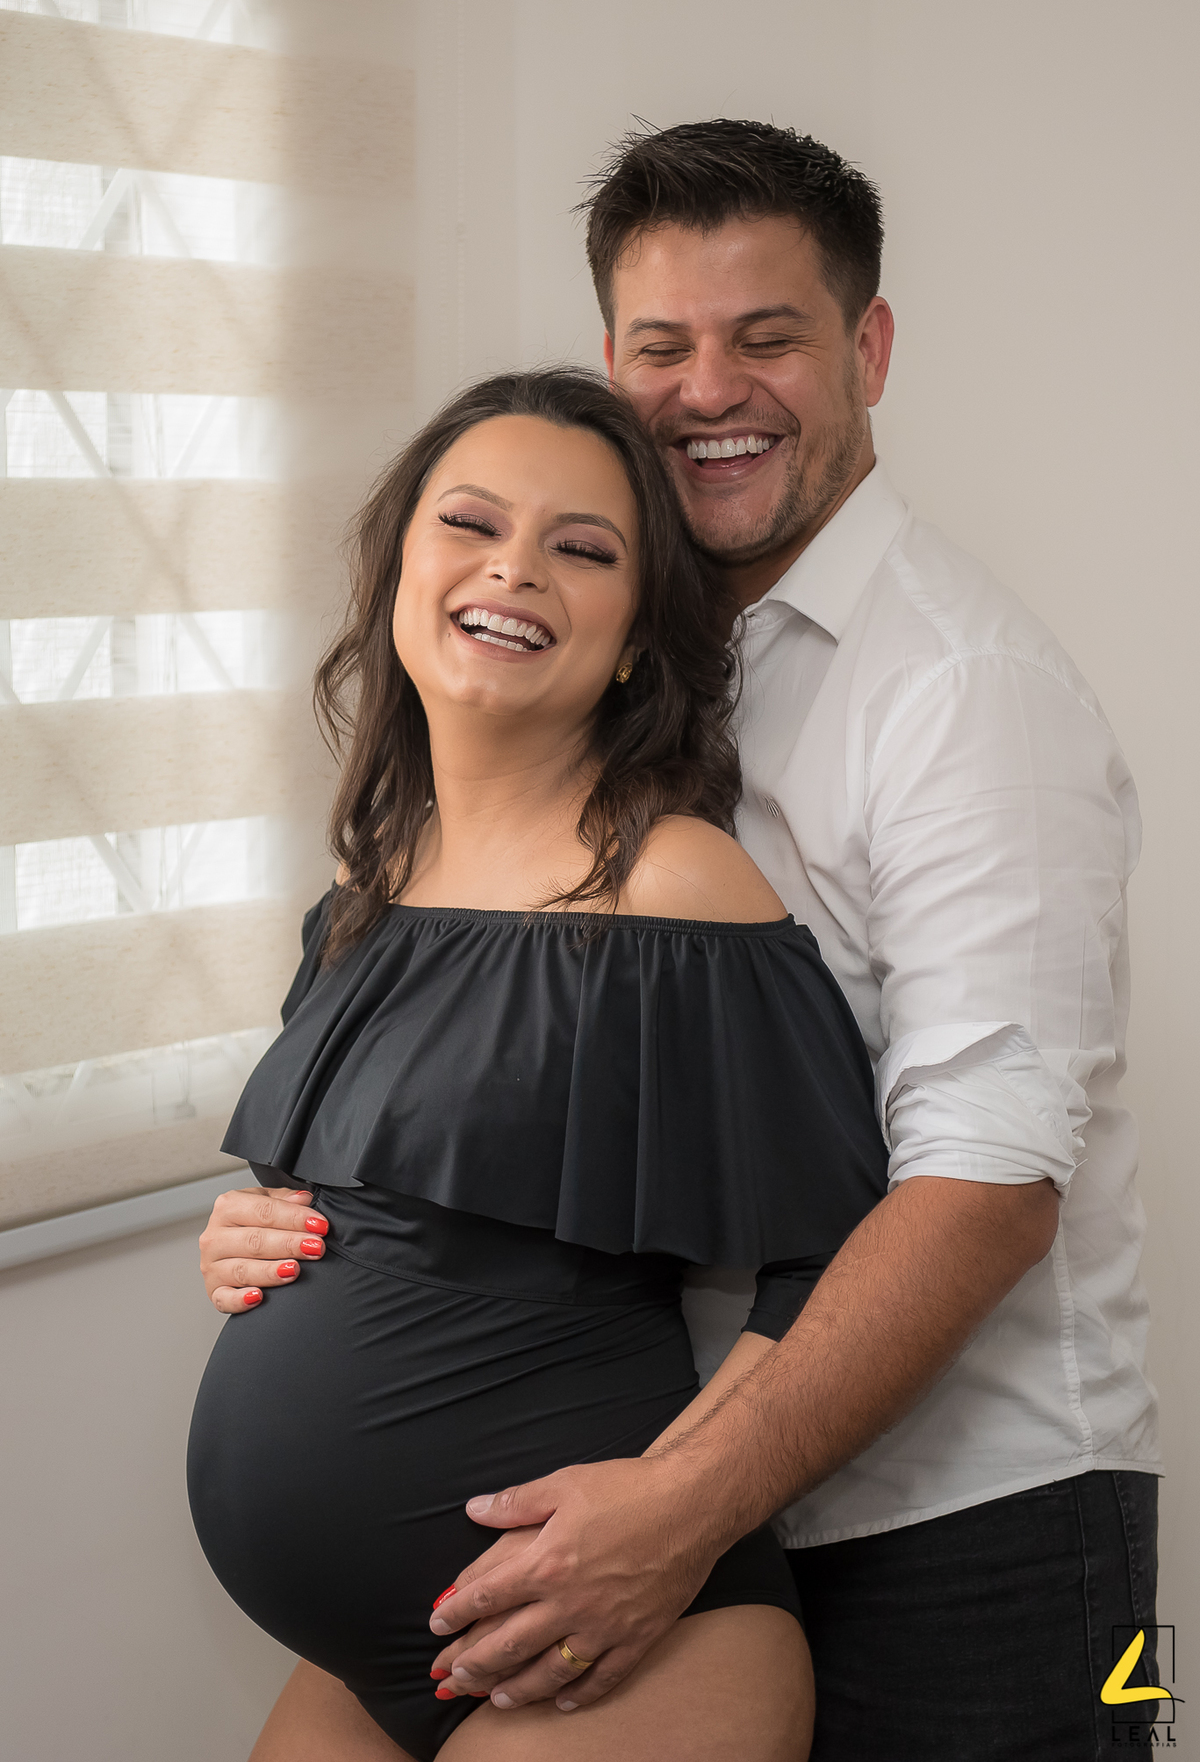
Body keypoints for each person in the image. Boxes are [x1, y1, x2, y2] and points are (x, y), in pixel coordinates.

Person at [199, 122, 1163, 1759]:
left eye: (767, 337)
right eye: (664, 346)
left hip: (976, 1527)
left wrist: (683, 1505)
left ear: (867, 351)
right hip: (653, 1497)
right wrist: (306, 1232)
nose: (712, 388)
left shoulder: (963, 694)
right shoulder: (622, 672)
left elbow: (989, 1184)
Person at [187, 366, 892, 1762]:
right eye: (471, 523)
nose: (516, 568)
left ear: (634, 640)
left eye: (584, 549)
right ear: (400, 571)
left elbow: (842, 1261)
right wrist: (254, 1234)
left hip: (614, 1639)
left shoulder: (673, 890)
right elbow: (385, 1199)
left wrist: (671, 1512)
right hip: (370, 1653)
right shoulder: (367, 886)